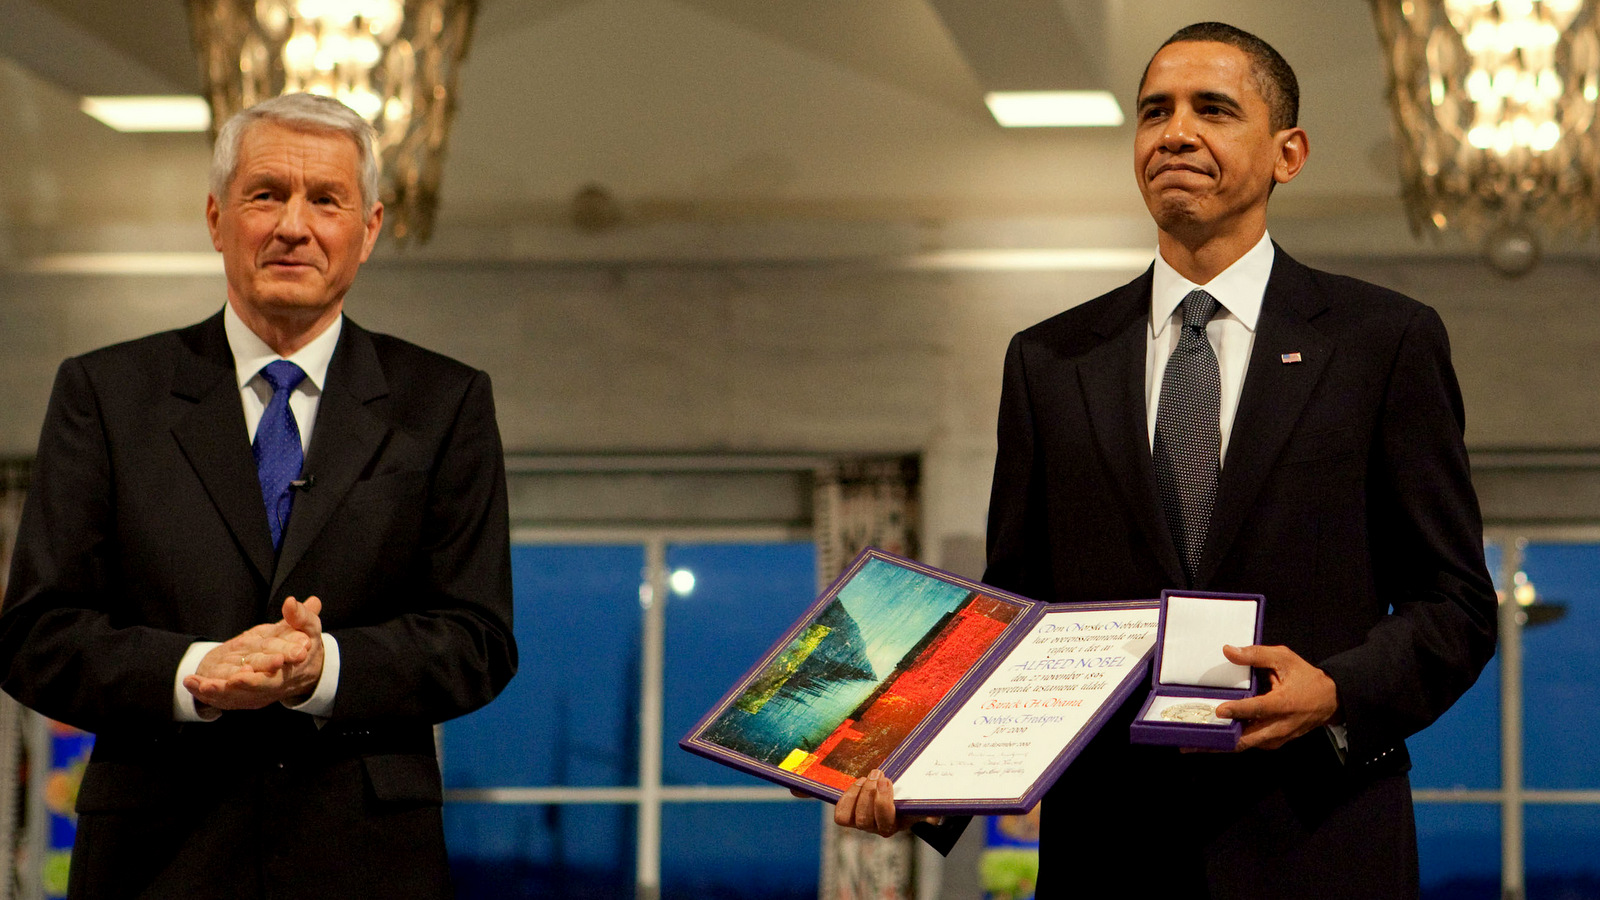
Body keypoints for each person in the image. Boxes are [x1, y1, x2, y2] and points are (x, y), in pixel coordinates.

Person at [835, 23, 1497, 898]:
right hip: (1112, 852)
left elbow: (1454, 603)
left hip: (1322, 841)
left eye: (1213, 109)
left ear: (1287, 153)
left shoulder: (1385, 343)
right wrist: (932, 782)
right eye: (1155, 112)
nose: (1175, 132)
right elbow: (1018, 615)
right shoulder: (1049, 360)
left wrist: (1335, 691)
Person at [0, 93, 517, 899]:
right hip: (155, 861)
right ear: (216, 218)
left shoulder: (443, 403)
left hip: (367, 863)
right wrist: (198, 670)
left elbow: (477, 638)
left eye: (326, 200)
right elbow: (36, 635)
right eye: (266, 194)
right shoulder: (105, 394)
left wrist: (322, 669)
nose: (293, 226)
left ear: (370, 229)